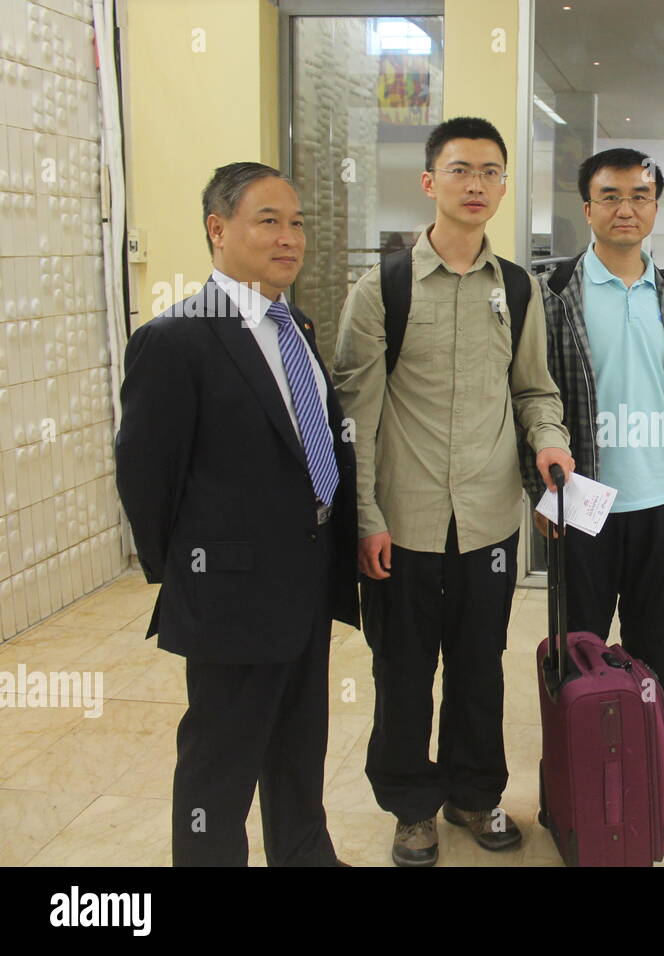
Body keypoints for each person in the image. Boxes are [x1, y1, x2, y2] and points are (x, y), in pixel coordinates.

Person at [332, 116, 573, 866]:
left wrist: (550, 439)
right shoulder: (383, 289)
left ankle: (474, 793)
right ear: (430, 182)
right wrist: (365, 517)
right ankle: (411, 807)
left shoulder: (522, 289)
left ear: (505, 186)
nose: (476, 185)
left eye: (490, 172)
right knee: (402, 671)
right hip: (402, 523)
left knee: (478, 664)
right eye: (461, 170)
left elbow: (534, 390)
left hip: (490, 521)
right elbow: (356, 417)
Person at [115, 162, 358, 866]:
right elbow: (146, 476)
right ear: (218, 230)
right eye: (269, 221)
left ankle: (305, 855)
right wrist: (192, 574)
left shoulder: (294, 324)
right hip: (229, 594)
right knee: (220, 764)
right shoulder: (176, 340)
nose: (289, 237)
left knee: (298, 746)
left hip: (305, 583)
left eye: (297, 222)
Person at [526, 147, 664, 783]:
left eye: (639, 196)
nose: (625, 208)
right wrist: (543, 493)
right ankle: (583, 746)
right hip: (584, 495)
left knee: (654, 635)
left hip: (663, 494)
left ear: (655, 209)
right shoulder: (552, 291)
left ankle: (650, 738)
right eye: (610, 196)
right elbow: (531, 389)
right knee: (580, 637)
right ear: (588, 208)